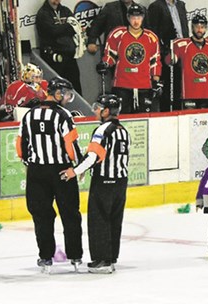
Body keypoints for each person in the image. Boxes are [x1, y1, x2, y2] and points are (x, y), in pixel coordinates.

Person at [16, 76, 83, 273]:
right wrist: (76, 168)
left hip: (37, 172)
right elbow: (70, 145)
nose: (68, 99)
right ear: (58, 93)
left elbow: (21, 146)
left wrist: (30, 164)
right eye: (67, 95)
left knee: (41, 215)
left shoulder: (29, 115)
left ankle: (45, 257)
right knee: (70, 214)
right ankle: (75, 256)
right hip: (62, 171)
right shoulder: (63, 115)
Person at [60, 94, 130, 274]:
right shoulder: (123, 130)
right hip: (120, 182)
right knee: (115, 220)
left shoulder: (102, 130)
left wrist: (74, 171)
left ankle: (102, 260)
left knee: (99, 220)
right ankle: (111, 257)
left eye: (98, 107)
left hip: (104, 182)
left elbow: (93, 156)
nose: (95, 111)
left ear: (106, 111)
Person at [98, 4, 162, 114]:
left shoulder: (151, 37)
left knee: (143, 120)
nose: (136, 21)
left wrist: (156, 82)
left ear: (143, 18)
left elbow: (155, 61)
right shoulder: (117, 34)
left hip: (144, 86)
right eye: (133, 18)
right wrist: (105, 64)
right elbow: (110, 55)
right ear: (128, 18)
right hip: (122, 85)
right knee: (122, 117)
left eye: (139, 18)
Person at [166, 14, 208, 110]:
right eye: (197, 27)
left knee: (205, 122)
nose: (199, 30)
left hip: (207, 94)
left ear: (206, 28)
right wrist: (170, 46)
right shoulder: (182, 44)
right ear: (192, 27)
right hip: (188, 93)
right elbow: (170, 61)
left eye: (202, 27)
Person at [148, 0, 189, 111]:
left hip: (182, 50)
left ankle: (178, 112)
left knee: (180, 86)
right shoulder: (156, 6)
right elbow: (153, 31)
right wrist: (162, 51)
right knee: (167, 88)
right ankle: (166, 113)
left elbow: (184, 28)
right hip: (166, 50)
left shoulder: (180, 4)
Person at [36, 0, 82, 94]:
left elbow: (75, 28)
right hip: (54, 58)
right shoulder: (43, 14)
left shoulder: (66, 11)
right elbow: (53, 32)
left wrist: (61, 29)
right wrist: (67, 26)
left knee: (75, 87)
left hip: (70, 57)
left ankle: (78, 108)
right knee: (57, 90)